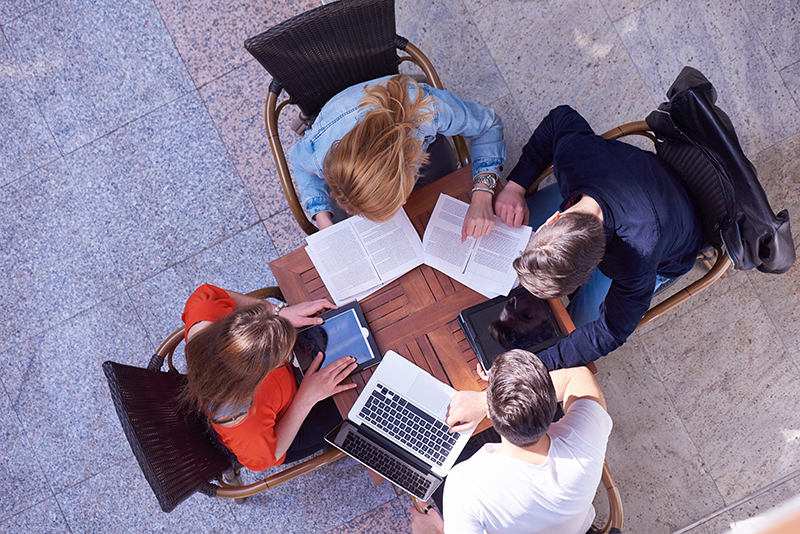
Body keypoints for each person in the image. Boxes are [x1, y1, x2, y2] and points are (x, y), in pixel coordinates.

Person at [492, 105, 702, 369]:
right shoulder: (574, 157)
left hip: (672, 242)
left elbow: (611, 331)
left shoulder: (636, 261)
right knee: (503, 232)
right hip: (615, 183)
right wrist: (515, 186)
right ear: (554, 219)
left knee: (574, 327)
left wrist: (537, 364)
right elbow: (560, 117)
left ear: (593, 269)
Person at [411, 350, 612, 534]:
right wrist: (491, 398)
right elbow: (578, 377)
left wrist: (436, 531)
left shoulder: (464, 486)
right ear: (552, 401)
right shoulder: (587, 438)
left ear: (489, 413)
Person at [289, 73, 505, 240]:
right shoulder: (319, 155)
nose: (403, 201)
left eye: (398, 198)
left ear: (406, 163)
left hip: (401, 105)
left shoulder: (427, 112)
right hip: (336, 121)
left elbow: (488, 124)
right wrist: (323, 218)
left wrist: (483, 193)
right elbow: (297, 161)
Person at [181, 284, 357, 471]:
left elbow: (208, 294)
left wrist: (277, 312)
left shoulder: (204, 318)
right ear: (257, 380)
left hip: (280, 394)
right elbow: (266, 458)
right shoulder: (245, 427)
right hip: (281, 431)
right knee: (354, 399)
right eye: (286, 356)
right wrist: (307, 398)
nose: (292, 353)